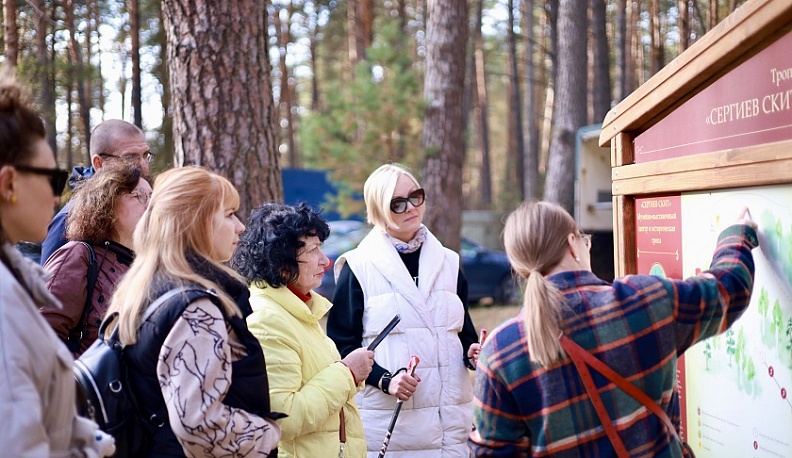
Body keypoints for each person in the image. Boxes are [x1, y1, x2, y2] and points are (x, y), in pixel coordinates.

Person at [468, 201, 758, 457]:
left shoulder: (499, 352)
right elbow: (728, 289)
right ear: (573, 245)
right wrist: (736, 235)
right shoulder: (643, 301)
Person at [104, 167, 282, 456]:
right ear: (197, 222)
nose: (240, 227)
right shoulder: (195, 307)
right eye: (228, 214)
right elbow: (200, 424)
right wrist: (268, 434)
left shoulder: (143, 287)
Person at [326, 163, 480, 457]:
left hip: (452, 427)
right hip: (392, 430)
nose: (410, 207)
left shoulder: (449, 262)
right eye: (397, 203)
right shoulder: (358, 266)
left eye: (416, 196)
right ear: (378, 209)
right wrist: (386, 379)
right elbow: (342, 346)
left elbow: (464, 334)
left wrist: (473, 352)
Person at [0, 68, 115, 456]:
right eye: (53, 178)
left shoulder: (14, 283)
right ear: (9, 184)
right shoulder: (4, 301)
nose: (57, 197)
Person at [232, 202, 373, 458]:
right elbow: (284, 417)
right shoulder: (267, 320)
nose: (325, 260)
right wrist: (348, 373)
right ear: (282, 260)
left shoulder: (298, 311)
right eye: (314, 250)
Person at [41, 161, 151, 355]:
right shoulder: (78, 255)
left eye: (152, 197)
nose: (150, 206)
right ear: (106, 201)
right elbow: (39, 336)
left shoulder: (145, 264)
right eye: (139, 196)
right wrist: (83, 379)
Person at [40, 118, 153, 264]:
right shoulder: (71, 218)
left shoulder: (149, 203)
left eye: (145, 155)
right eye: (131, 157)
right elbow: (51, 282)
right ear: (99, 163)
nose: (143, 166)